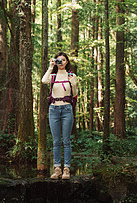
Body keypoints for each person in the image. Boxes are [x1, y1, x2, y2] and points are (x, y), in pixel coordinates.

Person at [42, 51, 77, 180]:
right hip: (53, 109)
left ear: (66, 62)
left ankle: (66, 169)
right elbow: (43, 81)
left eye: (63, 60)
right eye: (58, 60)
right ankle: (57, 169)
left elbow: (74, 94)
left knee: (66, 141)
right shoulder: (53, 75)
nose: (60, 62)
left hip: (67, 109)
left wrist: (73, 83)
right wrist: (50, 67)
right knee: (56, 141)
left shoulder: (71, 75)